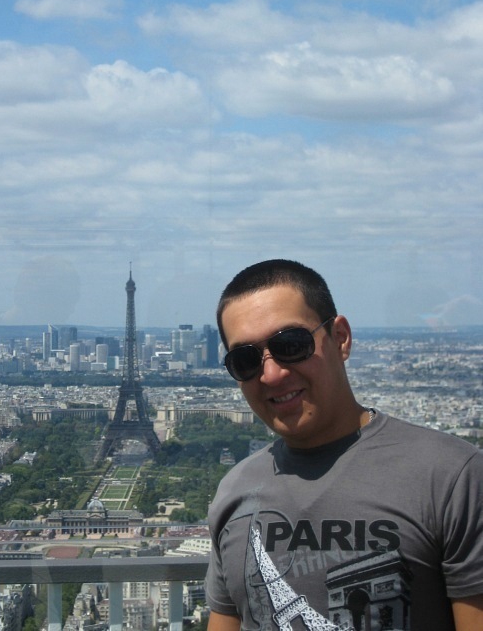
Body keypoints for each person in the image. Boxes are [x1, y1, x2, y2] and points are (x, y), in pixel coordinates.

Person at [205, 259, 483, 631]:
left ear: (341, 338)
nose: (271, 374)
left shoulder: (453, 477)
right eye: (245, 360)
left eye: (291, 344)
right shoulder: (232, 493)